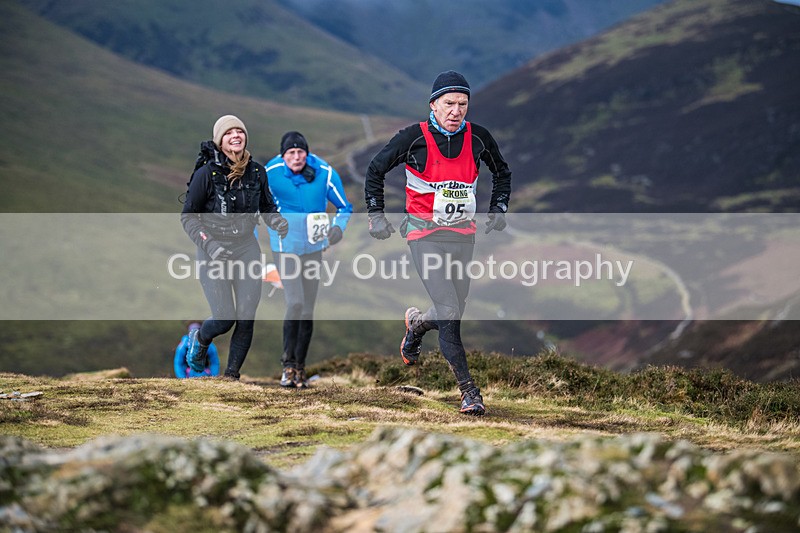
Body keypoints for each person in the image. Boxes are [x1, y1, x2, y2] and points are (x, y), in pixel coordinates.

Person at [364, 71, 512, 415]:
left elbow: (502, 171)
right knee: (447, 310)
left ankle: (416, 326)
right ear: (433, 104)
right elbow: (375, 169)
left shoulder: (479, 138)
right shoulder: (413, 138)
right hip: (423, 235)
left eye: (463, 104)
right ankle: (469, 392)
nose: (456, 110)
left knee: (453, 312)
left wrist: (499, 208)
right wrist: (376, 215)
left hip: (462, 235)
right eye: (449, 103)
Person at [181, 115, 288, 380]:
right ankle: (200, 338)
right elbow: (188, 217)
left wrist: (276, 221)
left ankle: (232, 376)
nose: (236, 136)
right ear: (220, 141)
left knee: (246, 316)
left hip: (246, 248)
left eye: (240, 131)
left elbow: (267, 207)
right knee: (225, 318)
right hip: (212, 250)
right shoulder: (206, 174)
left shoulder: (257, 172)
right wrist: (212, 246)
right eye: (229, 133)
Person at [265, 131, 352, 388]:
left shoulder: (324, 172)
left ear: (307, 152)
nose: (296, 157)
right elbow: (259, 201)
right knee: (295, 303)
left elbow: (344, 207)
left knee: (307, 310)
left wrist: (338, 228)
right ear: (283, 155)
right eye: (290, 153)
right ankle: (287, 364)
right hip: (285, 249)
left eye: (300, 152)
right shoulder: (271, 172)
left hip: (314, 249)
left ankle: (300, 368)